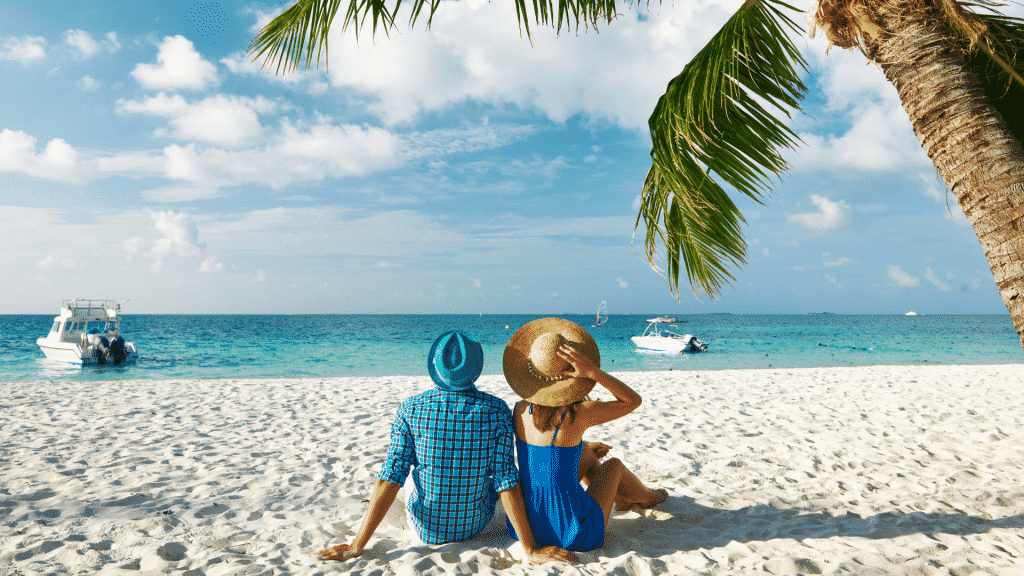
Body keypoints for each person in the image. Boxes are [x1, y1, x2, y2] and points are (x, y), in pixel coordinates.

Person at [317, 330, 579, 564]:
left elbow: (391, 477)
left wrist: (356, 546)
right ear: (475, 369)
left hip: (426, 530)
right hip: (475, 524)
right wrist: (530, 549)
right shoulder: (497, 410)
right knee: (490, 473)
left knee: (401, 473)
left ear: (436, 367)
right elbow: (505, 481)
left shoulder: (410, 409)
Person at [502, 318, 668, 552]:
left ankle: (620, 499)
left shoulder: (520, 409)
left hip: (527, 526)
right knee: (614, 466)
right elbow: (633, 401)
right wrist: (593, 372)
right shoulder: (577, 413)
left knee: (587, 452)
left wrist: (584, 446)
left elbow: (546, 454)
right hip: (572, 532)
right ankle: (649, 498)